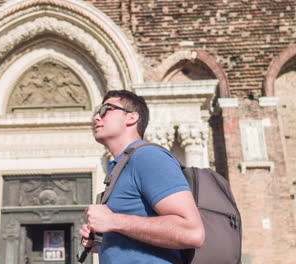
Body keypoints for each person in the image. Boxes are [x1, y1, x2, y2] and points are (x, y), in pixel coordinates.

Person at [79, 90, 205, 263]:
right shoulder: (121, 166)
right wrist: (104, 241)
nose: (96, 118)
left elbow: (192, 232)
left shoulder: (148, 157)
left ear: (131, 118)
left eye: (106, 110)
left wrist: (113, 220)